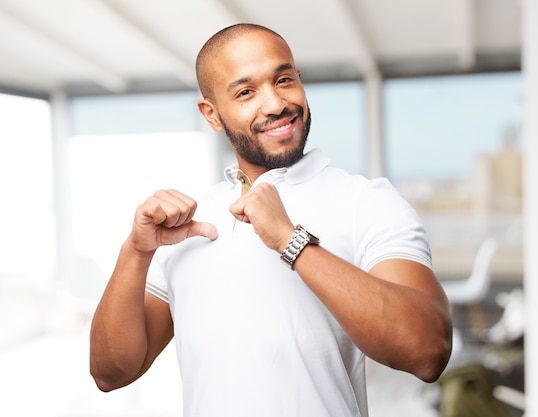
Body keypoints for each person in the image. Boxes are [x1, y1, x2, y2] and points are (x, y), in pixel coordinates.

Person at [89, 23, 452, 417]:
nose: (276, 103)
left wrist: (290, 241)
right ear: (212, 114)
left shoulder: (367, 201)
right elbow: (111, 373)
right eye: (246, 92)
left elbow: (427, 352)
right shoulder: (187, 226)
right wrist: (136, 251)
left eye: (284, 80)